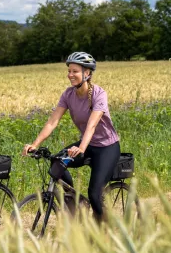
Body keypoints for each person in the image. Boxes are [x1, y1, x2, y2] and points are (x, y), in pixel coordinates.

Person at [22, 52, 121, 222]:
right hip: (88, 145)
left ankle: (104, 232)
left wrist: (81, 148)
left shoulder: (99, 94)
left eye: (75, 71)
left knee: (94, 193)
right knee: (56, 163)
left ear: (87, 73)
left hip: (107, 148)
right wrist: (35, 144)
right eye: (69, 71)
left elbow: (92, 124)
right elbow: (52, 122)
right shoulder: (68, 95)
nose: (70, 75)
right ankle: (75, 202)